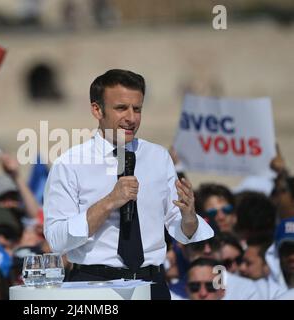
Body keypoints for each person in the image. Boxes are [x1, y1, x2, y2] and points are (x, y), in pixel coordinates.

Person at [43, 69, 214, 300]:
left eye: (137, 109)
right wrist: (109, 203)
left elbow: (180, 228)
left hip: (152, 284)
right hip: (93, 287)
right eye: (121, 108)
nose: (131, 118)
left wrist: (189, 218)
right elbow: (56, 239)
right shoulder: (69, 164)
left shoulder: (158, 157)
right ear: (97, 110)